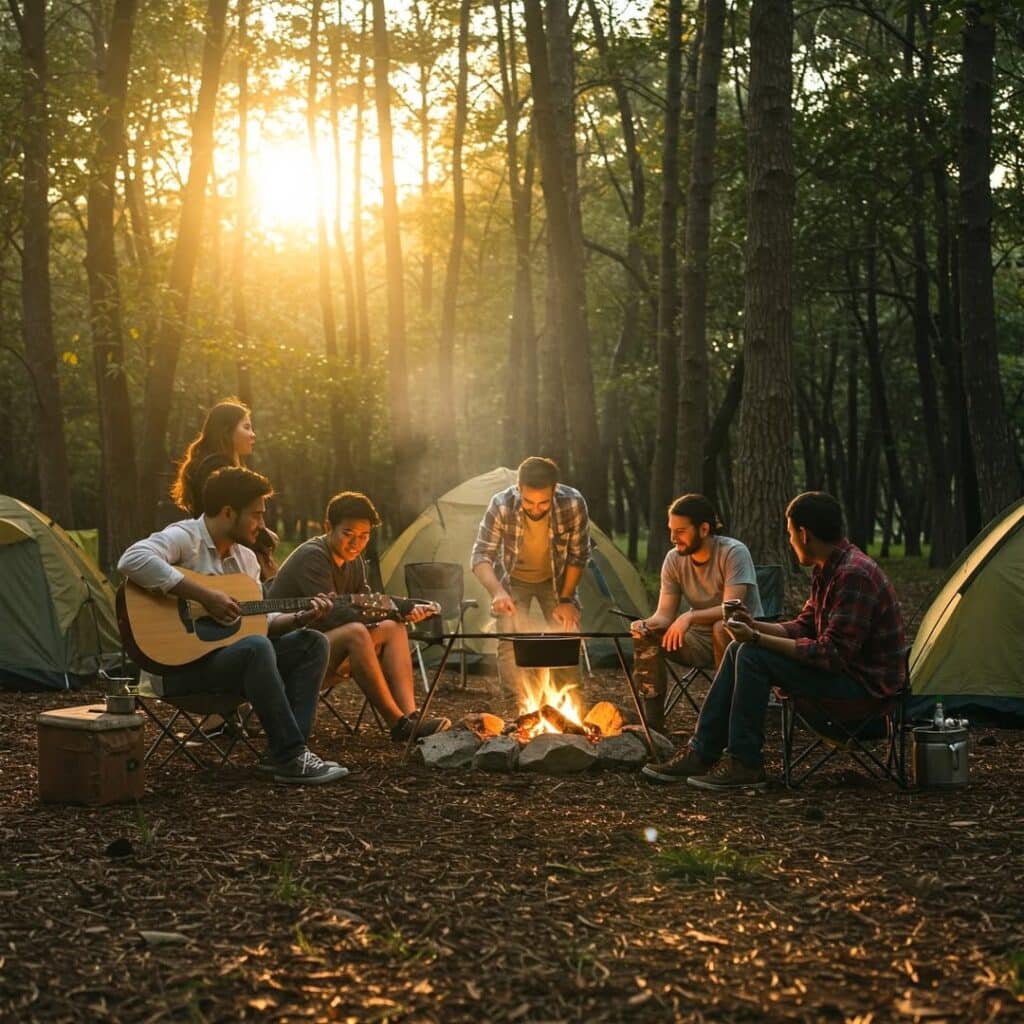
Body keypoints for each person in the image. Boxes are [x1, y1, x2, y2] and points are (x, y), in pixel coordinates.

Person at [642, 491, 907, 790]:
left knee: (752, 655)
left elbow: (832, 655)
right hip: (846, 677)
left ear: (804, 534)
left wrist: (757, 638)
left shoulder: (853, 575)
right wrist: (752, 626)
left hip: (865, 696)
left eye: (791, 533)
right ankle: (701, 753)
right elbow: (804, 626)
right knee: (737, 647)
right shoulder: (829, 568)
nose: (790, 541)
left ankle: (745, 763)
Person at [118, 467, 348, 784]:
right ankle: (290, 755)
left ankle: (286, 754)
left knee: (312, 642)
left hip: (233, 664)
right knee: (256, 648)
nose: (263, 525)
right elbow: (132, 559)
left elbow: (260, 623)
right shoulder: (186, 538)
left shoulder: (246, 559)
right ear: (228, 512)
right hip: (177, 670)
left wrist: (300, 618)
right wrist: (204, 596)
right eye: (256, 515)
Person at [269, 491, 451, 742]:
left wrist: (403, 612)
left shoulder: (352, 560)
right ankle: (396, 723)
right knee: (356, 631)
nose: (356, 543)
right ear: (328, 527)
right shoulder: (313, 556)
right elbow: (333, 615)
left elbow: (366, 603)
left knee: (392, 627)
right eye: (348, 534)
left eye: (364, 536)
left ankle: (410, 718)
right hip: (288, 657)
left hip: (325, 649)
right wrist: (394, 608)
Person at [630, 494, 763, 734]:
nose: (673, 538)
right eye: (671, 530)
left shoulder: (733, 552)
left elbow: (731, 609)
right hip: (696, 641)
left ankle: (728, 724)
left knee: (722, 626)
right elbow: (663, 615)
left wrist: (689, 616)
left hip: (743, 640)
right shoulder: (673, 560)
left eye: (680, 531)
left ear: (704, 528)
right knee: (648, 635)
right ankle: (654, 727)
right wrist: (645, 625)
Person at [471, 457, 591, 697]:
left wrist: (566, 600)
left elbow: (578, 557)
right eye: (528, 501)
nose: (536, 508)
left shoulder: (573, 503)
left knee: (565, 636)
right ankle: (518, 704)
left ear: (554, 490)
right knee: (508, 640)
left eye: (543, 503)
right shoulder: (502, 504)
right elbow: (481, 556)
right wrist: (498, 592)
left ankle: (569, 700)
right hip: (513, 580)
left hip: (556, 580)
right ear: (519, 488)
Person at [170, 398, 279, 582]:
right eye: (246, 427)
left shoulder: (212, 463)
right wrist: (265, 538)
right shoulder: (218, 470)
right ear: (227, 432)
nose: (253, 435)